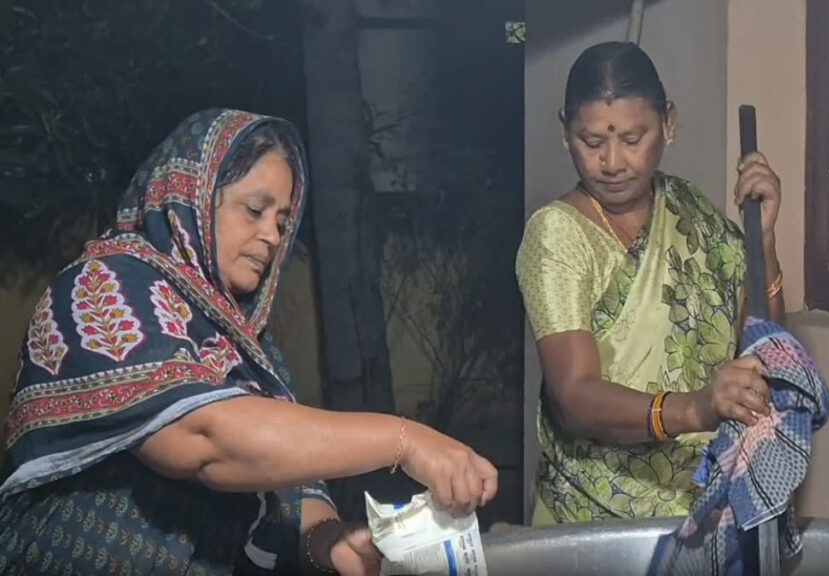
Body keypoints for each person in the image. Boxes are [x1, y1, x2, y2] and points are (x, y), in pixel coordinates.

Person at [0, 109, 498, 575]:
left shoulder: (245, 342)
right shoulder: (104, 285)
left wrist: (328, 541)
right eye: (255, 210)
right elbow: (205, 438)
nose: (273, 236)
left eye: (282, 222)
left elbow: (293, 485)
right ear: (190, 197)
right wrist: (404, 440)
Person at [515, 42, 786, 526]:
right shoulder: (557, 234)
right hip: (592, 525)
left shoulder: (690, 211)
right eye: (592, 142)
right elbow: (574, 399)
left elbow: (765, 351)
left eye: (633, 138)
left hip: (702, 510)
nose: (613, 162)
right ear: (565, 133)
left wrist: (762, 243)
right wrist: (697, 409)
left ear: (669, 124)